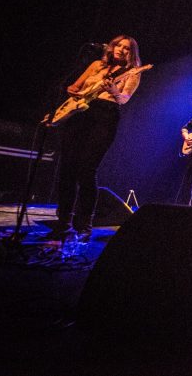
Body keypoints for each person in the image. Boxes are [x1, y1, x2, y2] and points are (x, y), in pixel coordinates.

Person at [50, 35, 142, 241]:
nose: (121, 49)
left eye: (127, 48)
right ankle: (63, 220)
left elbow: (124, 99)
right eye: (118, 45)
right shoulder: (95, 65)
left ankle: (84, 224)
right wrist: (73, 91)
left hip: (105, 115)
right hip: (80, 112)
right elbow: (74, 86)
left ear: (131, 53)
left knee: (86, 169)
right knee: (67, 169)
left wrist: (113, 90)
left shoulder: (132, 72)